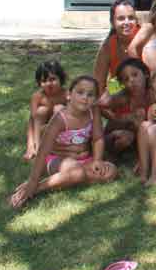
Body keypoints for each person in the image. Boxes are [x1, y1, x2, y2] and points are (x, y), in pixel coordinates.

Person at [10, 76, 117, 209]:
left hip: (85, 160)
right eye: (80, 92)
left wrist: (97, 160)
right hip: (58, 160)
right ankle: (38, 188)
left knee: (111, 170)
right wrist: (33, 181)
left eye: (90, 95)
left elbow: (98, 138)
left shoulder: (93, 111)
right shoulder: (60, 119)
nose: (85, 97)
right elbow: (43, 152)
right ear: (69, 95)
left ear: (95, 99)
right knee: (77, 172)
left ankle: (70, 178)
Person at [92, 0, 141, 101]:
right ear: (112, 23)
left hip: (145, 89)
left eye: (131, 18)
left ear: (136, 20)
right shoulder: (108, 46)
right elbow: (98, 83)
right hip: (119, 87)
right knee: (105, 98)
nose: (127, 22)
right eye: (121, 18)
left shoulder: (145, 38)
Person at [100, 58, 151, 155]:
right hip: (115, 136)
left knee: (141, 114)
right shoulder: (122, 97)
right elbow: (98, 105)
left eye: (135, 75)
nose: (132, 80)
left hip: (139, 136)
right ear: (123, 84)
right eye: (126, 79)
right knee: (125, 138)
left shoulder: (153, 94)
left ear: (146, 74)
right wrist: (120, 118)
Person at [25, 60, 68, 161]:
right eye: (44, 81)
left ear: (61, 78)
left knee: (59, 108)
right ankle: (38, 148)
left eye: (52, 79)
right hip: (42, 131)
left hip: (61, 132)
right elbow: (32, 122)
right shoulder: (37, 97)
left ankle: (59, 147)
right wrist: (30, 146)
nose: (48, 84)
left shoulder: (67, 94)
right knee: (41, 111)